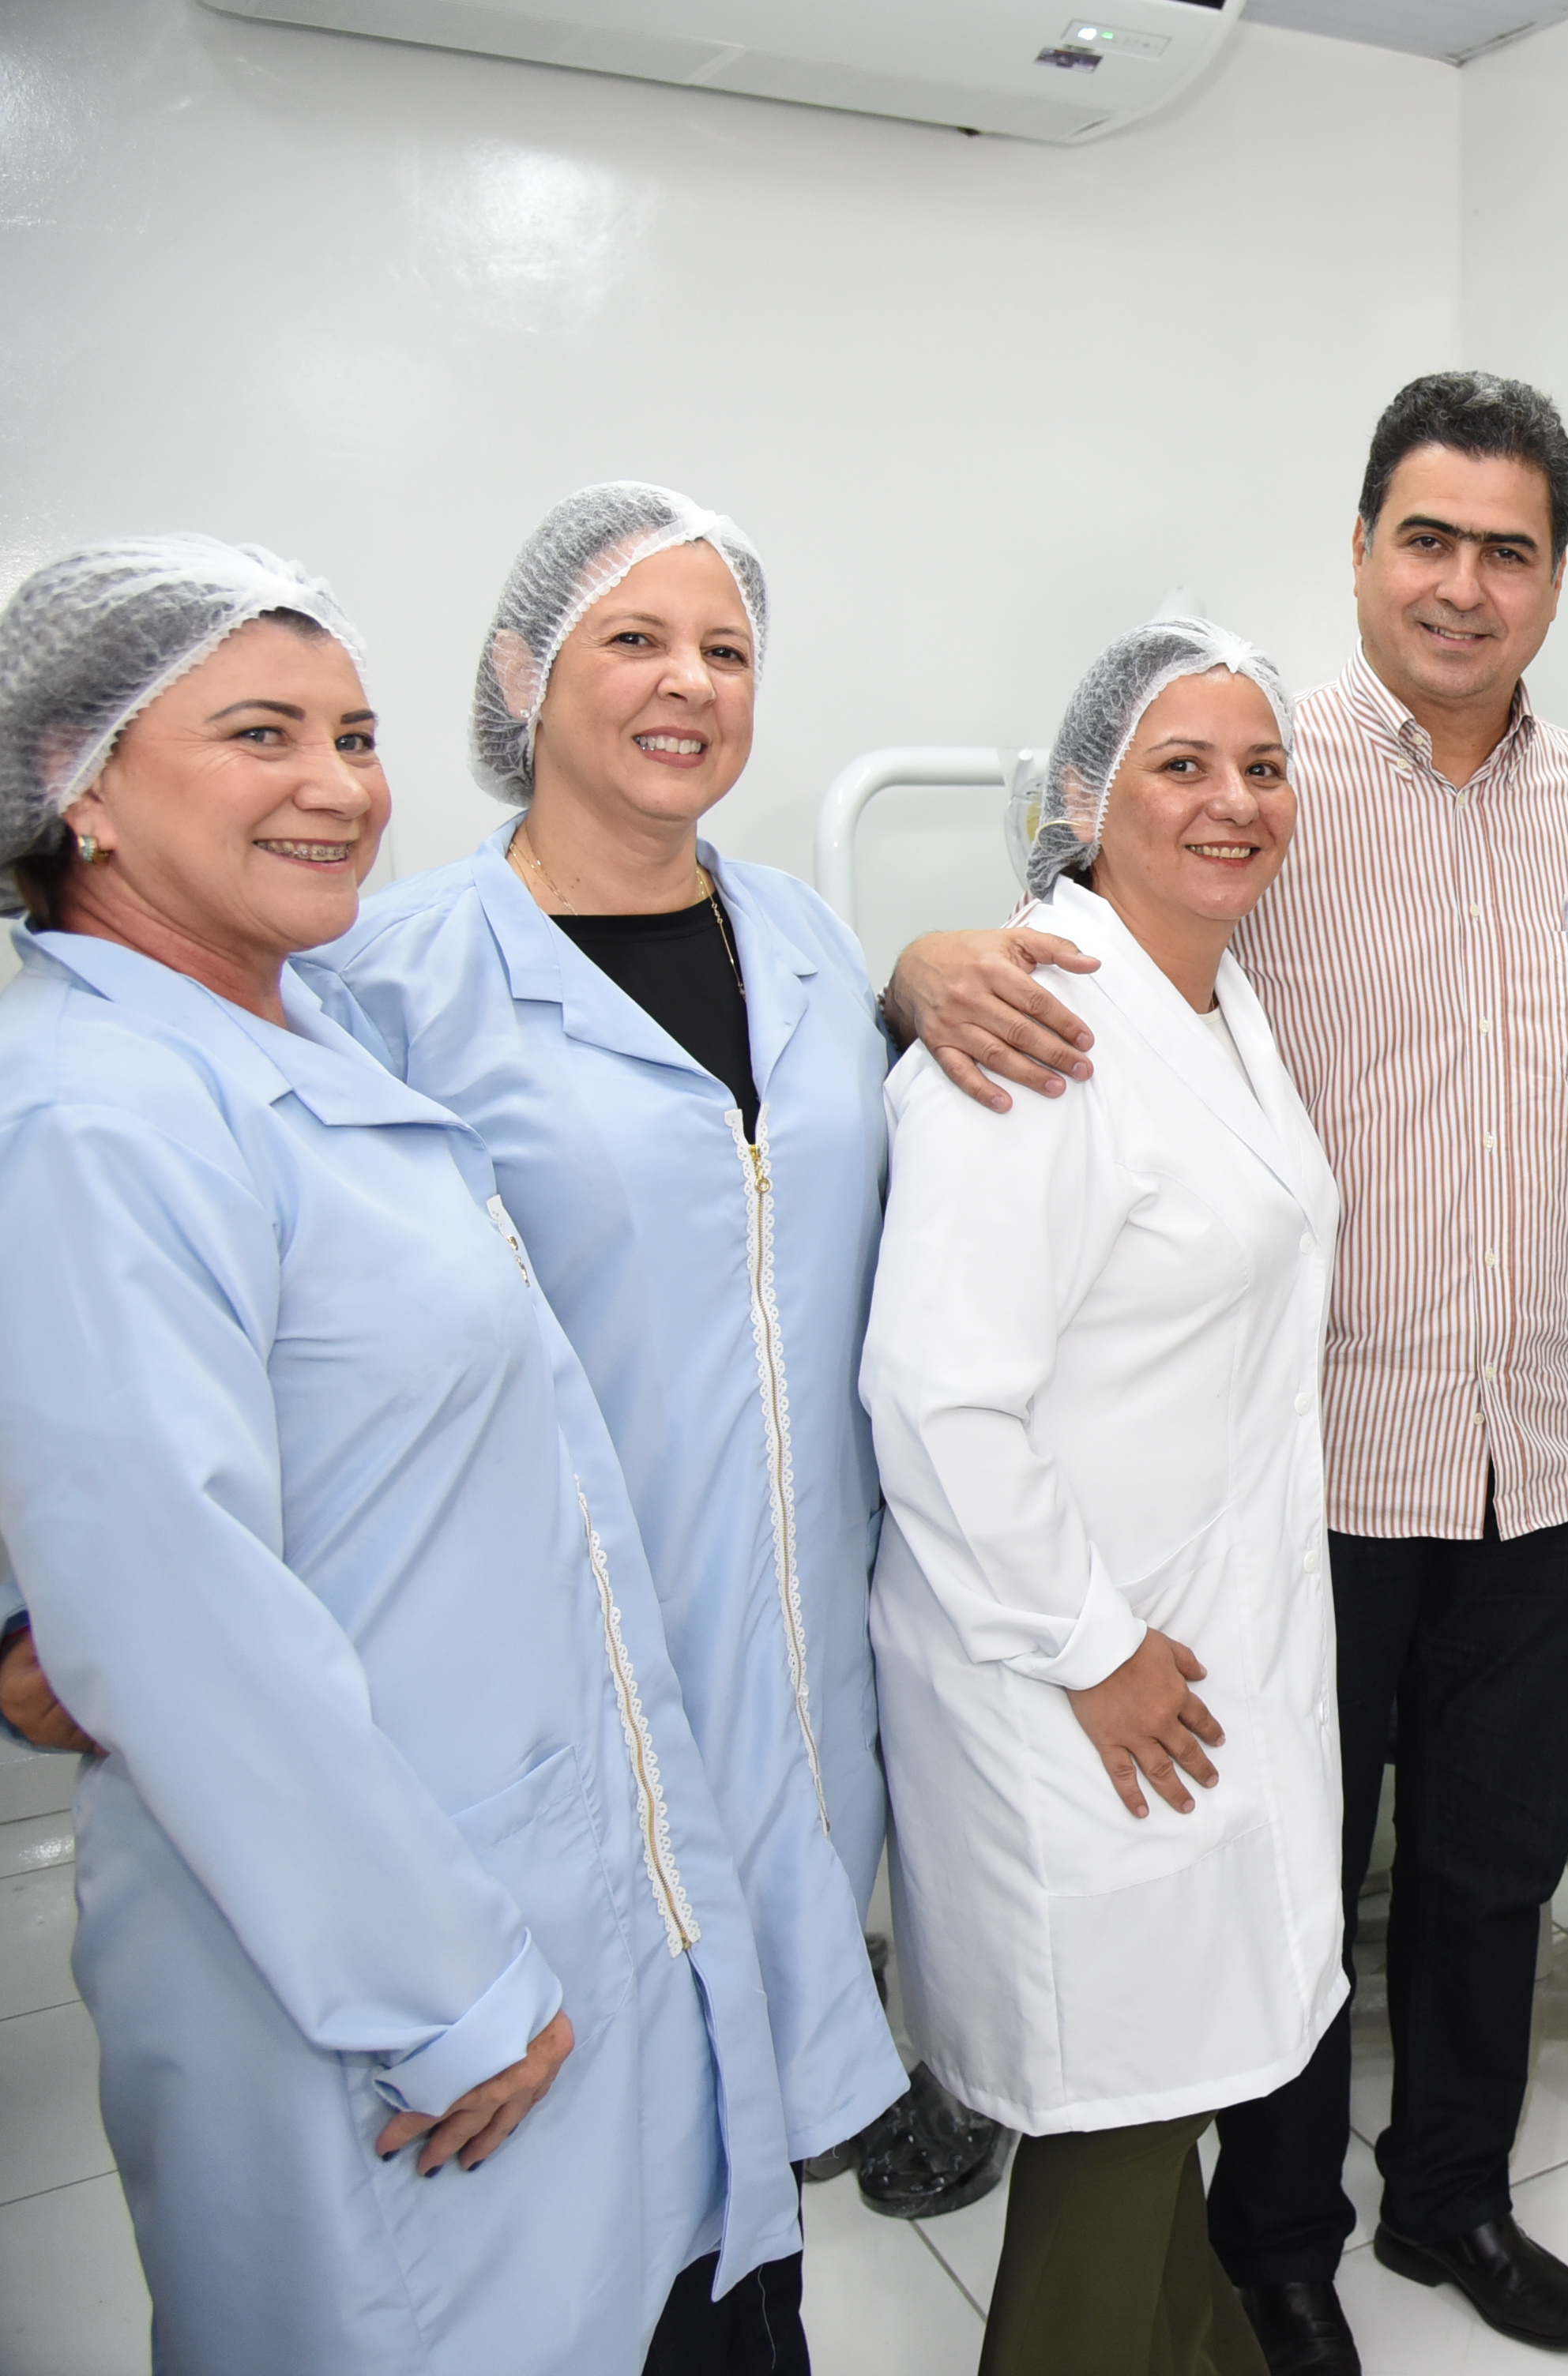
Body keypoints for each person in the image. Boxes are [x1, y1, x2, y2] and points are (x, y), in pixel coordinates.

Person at [886, 371, 1568, 2371]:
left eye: (1507, 550)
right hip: (1321, 1456)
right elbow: (1079, 934)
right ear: (1362, 546)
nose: (1463, 585)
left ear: (1556, 574)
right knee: (1291, 1870)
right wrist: (915, 963)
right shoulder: (1267, 766)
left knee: (1494, 1864)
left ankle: (1453, 2195)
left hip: (1548, 1442)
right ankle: (1279, 2239)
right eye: (1428, 539)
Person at [0, 537, 799, 2373]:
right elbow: (184, 1621)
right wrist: (438, 1987)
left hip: (526, 1852)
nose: (339, 785)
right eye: (260, 733)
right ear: (78, 781)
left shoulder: (290, 1023)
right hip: (388, 1969)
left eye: (356, 735)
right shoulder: (98, 1113)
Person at [320, 485, 908, 2340]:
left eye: (726, 648)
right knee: (599, 2227)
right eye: (634, 640)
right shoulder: (392, 979)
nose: (690, 682)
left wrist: (928, 972)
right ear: (520, 674)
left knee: (762, 2198)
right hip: (560, 1703)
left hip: (806, 1674)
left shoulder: (805, 936)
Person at [860, 616, 1341, 2376]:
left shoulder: (1215, 1003)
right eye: (1182, 765)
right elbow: (937, 1395)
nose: (1234, 801)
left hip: (1198, 1634)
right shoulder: (1039, 1028)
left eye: (1263, 766)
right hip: (1080, 1665)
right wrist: (1093, 1643)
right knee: (1120, 2116)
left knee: (1167, 2092)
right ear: (1081, 797)